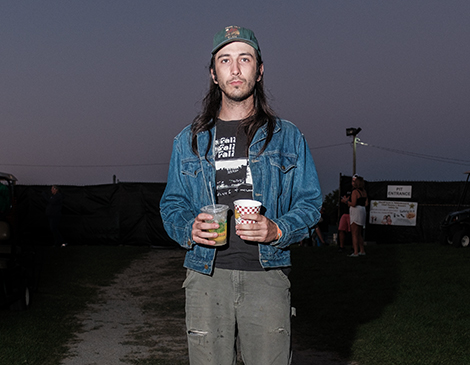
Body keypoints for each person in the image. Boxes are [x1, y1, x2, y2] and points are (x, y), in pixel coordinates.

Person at [160, 25, 322, 365]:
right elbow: (172, 203)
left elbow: (310, 203)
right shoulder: (187, 141)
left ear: (259, 70)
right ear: (214, 75)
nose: (235, 69)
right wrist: (187, 228)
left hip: (266, 275)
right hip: (206, 277)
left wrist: (277, 230)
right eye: (225, 60)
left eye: (244, 59)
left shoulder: (288, 137)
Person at [341, 175, 368, 256]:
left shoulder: (355, 192)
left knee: (354, 233)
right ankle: (362, 250)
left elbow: (353, 203)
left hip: (356, 211)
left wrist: (345, 201)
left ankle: (356, 252)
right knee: (359, 233)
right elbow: (366, 203)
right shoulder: (364, 192)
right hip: (362, 211)